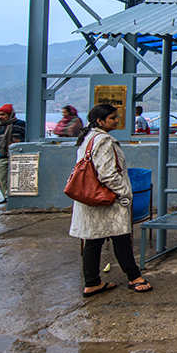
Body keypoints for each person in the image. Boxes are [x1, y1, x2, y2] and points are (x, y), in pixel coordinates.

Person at [69, 104, 152, 297]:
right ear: (100, 121)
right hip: (107, 200)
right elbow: (107, 175)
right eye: (113, 118)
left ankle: (92, 283)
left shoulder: (87, 138)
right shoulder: (104, 141)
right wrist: (125, 194)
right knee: (121, 238)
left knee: (93, 241)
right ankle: (134, 277)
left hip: (89, 199)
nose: (116, 120)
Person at [0, 104, 25, 203]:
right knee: (2, 177)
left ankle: (17, 197)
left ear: (10, 114)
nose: (0, 117)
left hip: (18, 155)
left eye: (3, 115)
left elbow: (29, 137)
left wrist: (20, 141)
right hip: (2, 155)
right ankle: (6, 197)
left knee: (18, 177)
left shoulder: (21, 124)